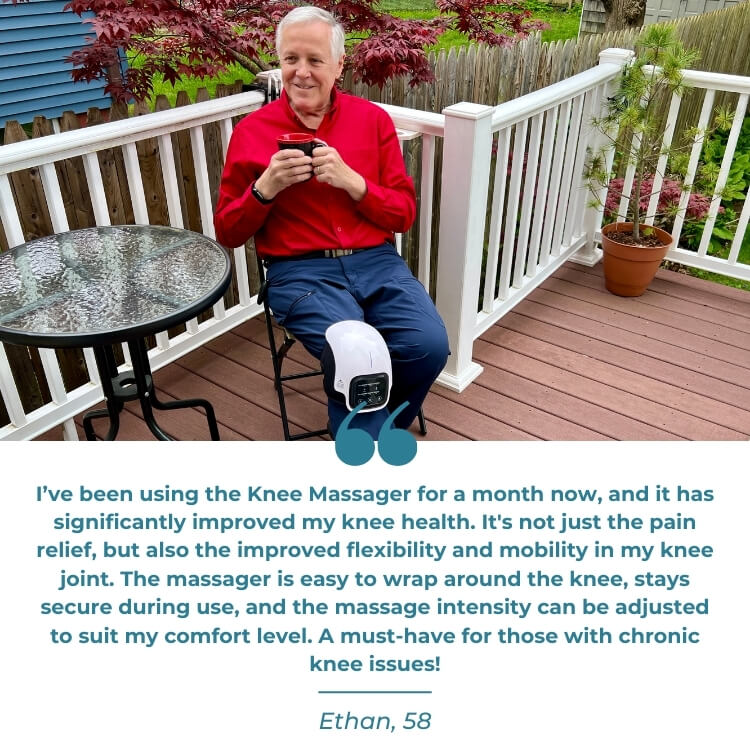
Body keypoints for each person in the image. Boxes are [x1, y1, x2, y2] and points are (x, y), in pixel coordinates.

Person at [214, 6, 449, 439]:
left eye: (315, 60)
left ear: (339, 65)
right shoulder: (252, 132)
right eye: (291, 59)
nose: (301, 72)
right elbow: (228, 232)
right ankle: (363, 447)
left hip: (377, 263)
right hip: (300, 272)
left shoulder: (371, 121)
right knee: (354, 355)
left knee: (428, 346)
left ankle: (379, 423)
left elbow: (402, 214)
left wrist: (354, 183)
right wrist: (265, 188)